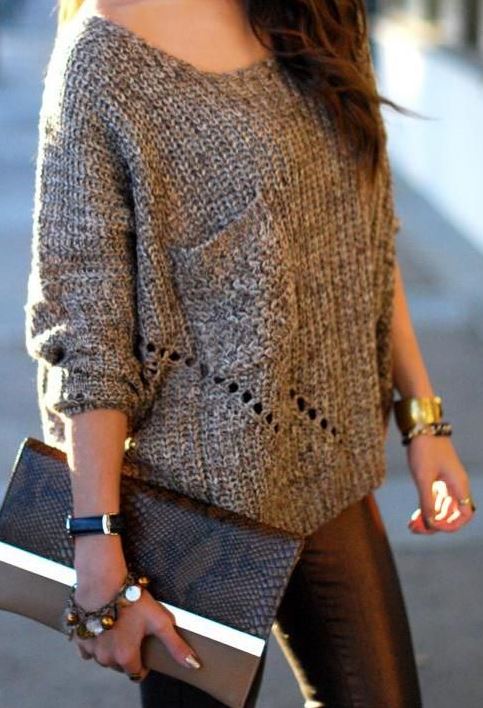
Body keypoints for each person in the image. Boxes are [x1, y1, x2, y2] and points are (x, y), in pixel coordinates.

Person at [25, 0, 476, 706]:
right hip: (189, 511)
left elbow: (364, 241)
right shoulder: (102, 56)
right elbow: (88, 334)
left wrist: (422, 419)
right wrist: (96, 545)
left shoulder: (317, 17)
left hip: (324, 473)